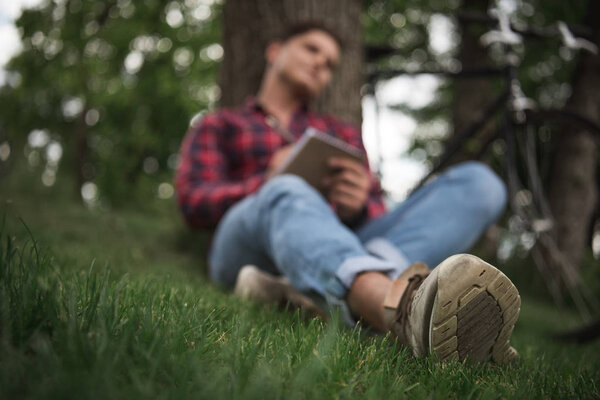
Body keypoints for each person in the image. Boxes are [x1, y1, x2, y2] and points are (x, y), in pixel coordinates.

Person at [175, 22, 520, 363]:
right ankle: (398, 306)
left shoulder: (340, 133)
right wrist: (267, 181)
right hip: (246, 245)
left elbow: (375, 213)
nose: (320, 66)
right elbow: (193, 202)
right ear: (275, 50)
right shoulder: (222, 123)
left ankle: (304, 294)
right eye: (312, 50)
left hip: (336, 242)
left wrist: (357, 207)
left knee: (481, 184)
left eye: (329, 65)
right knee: (286, 188)